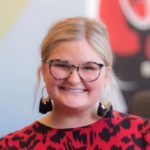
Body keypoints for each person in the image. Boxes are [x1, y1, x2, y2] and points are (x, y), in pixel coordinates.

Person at [0, 17, 149, 150]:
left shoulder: (143, 136)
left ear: (106, 75)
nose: (74, 79)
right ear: (44, 70)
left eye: (89, 67)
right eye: (62, 66)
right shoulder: (12, 145)